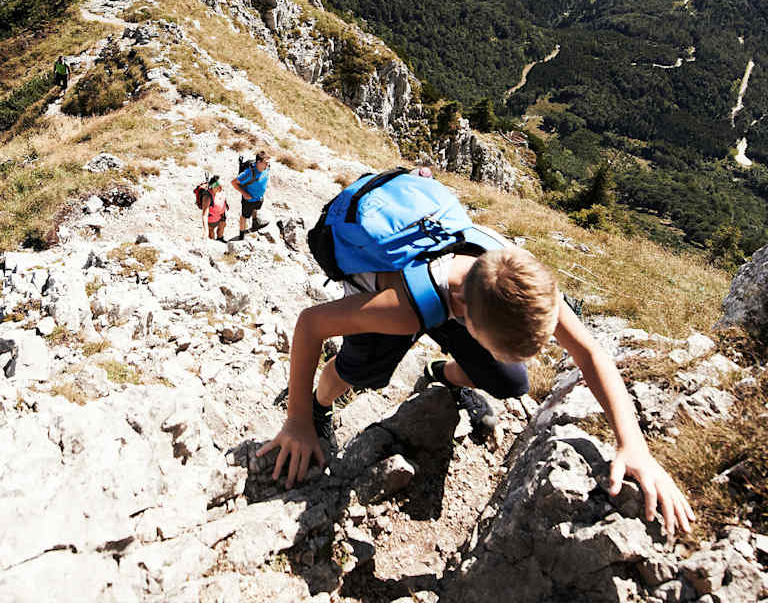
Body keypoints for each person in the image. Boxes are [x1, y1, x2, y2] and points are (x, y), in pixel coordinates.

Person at [257, 188, 696, 540]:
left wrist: (633, 444)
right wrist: (298, 421)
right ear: (466, 317)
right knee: (361, 373)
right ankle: (319, 404)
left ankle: (438, 374)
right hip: (400, 294)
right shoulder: (399, 310)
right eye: (498, 344)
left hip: (447, 298)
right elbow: (310, 324)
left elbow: (590, 352)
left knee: (508, 381)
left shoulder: (523, 280)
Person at [231, 151, 270, 240]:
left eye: (268, 163)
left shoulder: (266, 168)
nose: (267, 165)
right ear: (259, 162)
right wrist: (245, 194)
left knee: (255, 209)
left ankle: (255, 224)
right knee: (244, 216)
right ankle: (241, 236)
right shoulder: (249, 173)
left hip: (259, 197)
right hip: (249, 200)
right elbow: (233, 183)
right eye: (266, 163)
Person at [199, 175, 228, 241]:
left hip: (221, 216)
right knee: (211, 233)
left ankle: (220, 239)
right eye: (219, 186)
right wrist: (206, 231)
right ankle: (214, 243)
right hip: (211, 219)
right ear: (214, 186)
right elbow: (204, 215)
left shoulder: (220, 192)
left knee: (222, 227)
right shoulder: (207, 197)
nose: (221, 188)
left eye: (221, 186)